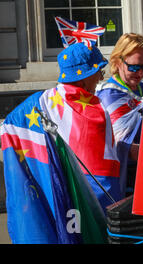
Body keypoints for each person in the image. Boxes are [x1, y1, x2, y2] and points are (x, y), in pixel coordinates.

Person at [1, 42, 121, 243]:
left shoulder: (38, 102)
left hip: (51, 197)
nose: (101, 77)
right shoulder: (93, 112)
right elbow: (101, 179)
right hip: (83, 205)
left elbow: (9, 125)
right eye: (98, 72)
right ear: (84, 78)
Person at [96, 33, 143, 195]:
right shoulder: (108, 95)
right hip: (123, 179)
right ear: (117, 62)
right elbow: (112, 143)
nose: (139, 73)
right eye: (133, 67)